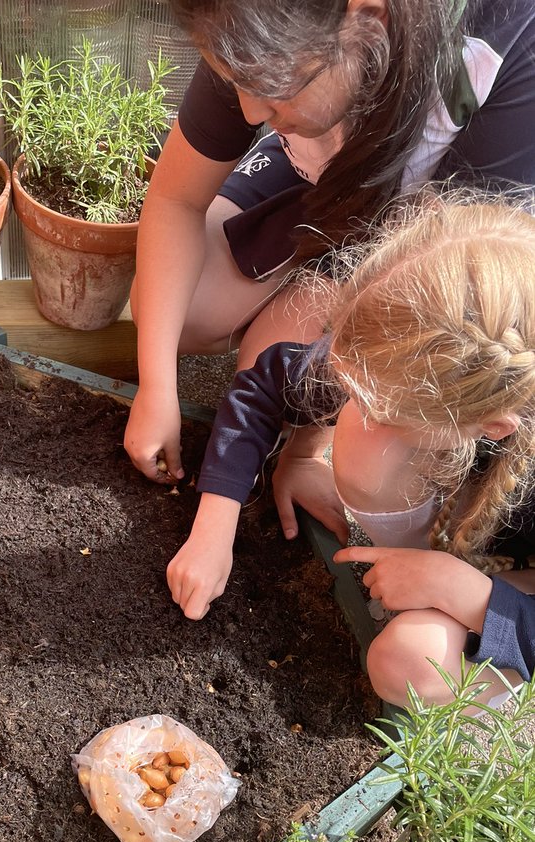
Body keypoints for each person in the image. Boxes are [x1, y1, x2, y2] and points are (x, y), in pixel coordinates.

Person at [124, 0, 535, 534]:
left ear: (370, 18)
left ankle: (294, 325)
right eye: (237, 83)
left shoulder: (500, 44)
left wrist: (307, 444)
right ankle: (286, 297)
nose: (248, 111)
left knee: (313, 381)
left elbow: (437, 305)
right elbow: (176, 199)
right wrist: (157, 387)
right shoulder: (254, 29)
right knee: (184, 311)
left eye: (274, 86)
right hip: (315, 183)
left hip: (423, 241)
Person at [166, 197, 535, 706]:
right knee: (365, 440)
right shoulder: (401, 355)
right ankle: (421, 563)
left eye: (383, 410)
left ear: (490, 426)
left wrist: (464, 592)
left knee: (409, 663)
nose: (355, 410)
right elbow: (264, 387)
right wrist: (216, 524)